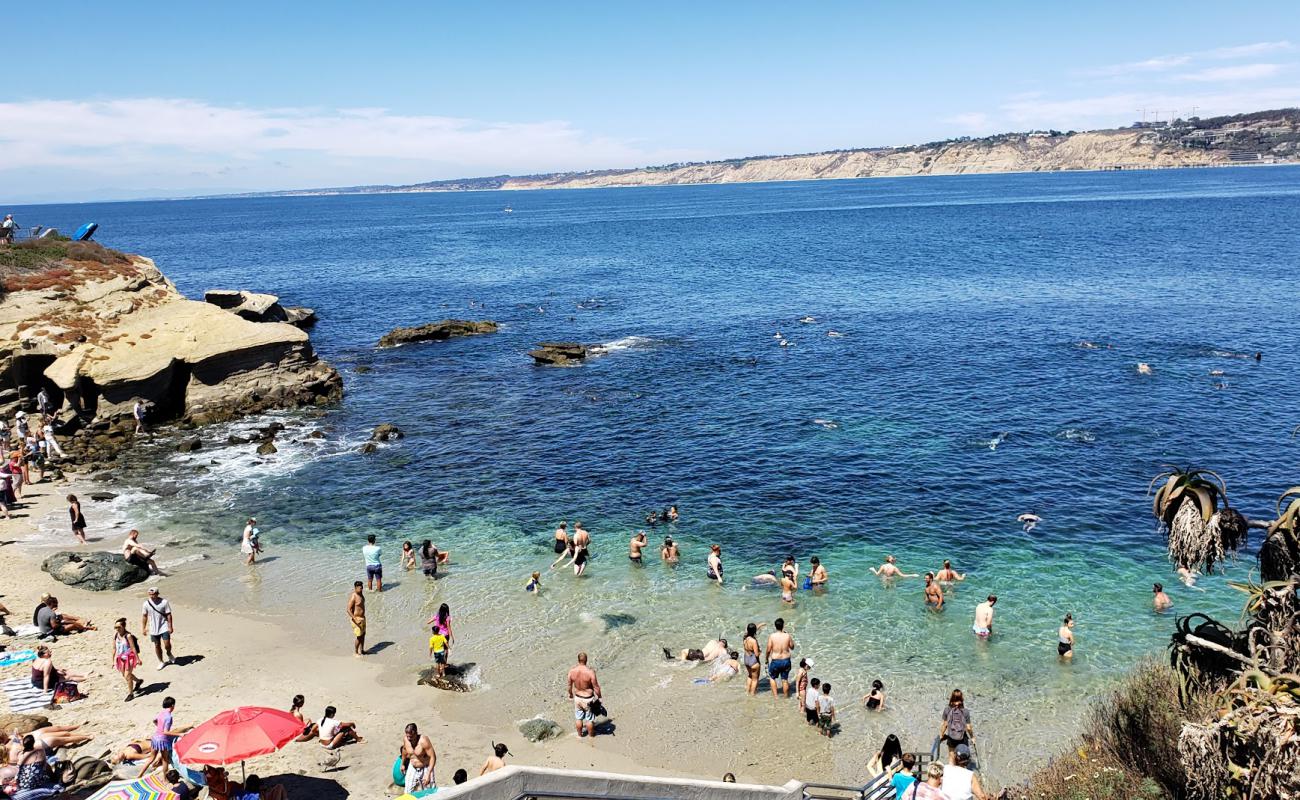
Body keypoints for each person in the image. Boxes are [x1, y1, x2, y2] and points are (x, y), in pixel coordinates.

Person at [139, 696, 184, 777]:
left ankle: (139, 775)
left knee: (151, 758)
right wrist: (180, 734)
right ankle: (164, 778)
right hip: (163, 741)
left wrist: (158, 726)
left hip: (155, 738)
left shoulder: (161, 713)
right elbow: (166, 732)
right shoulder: (169, 717)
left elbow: (154, 720)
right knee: (165, 760)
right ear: (172, 705)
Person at [567, 652, 602, 739]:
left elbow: (569, 685)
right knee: (589, 720)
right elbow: (596, 686)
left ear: (578, 660)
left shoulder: (572, 671)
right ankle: (591, 736)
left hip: (578, 698)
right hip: (588, 699)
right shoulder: (590, 672)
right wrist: (599, 697)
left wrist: (570, 694)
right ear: (586, 660)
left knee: (579, 718)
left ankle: (579, 735)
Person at [142, 587, 175, 669]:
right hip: (153, 628)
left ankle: (169, 653)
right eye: (150, 594)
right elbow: (144, 616)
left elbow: (169, 615)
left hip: (164, 626)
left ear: (157, 594)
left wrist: (170, 626)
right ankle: (161, 661)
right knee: (157, 645)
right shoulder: (146, 603)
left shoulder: (164, 602)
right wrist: (143, 628)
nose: (152, 596)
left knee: (167, 644)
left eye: (153, 594)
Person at [113, 617, 144, 701]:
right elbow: (114, 648)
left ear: (123, 627)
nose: (117, 629)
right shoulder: (116, 635)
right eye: (115, 627)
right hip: (120, 658)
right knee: (125, 675)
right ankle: (138, 681)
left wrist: (138, 659)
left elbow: (133, 648)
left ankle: (131, 694)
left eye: (118, 627)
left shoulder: (128, 636)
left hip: (129, 657)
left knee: (127, 675)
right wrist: (113, 660)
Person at [940, 689, 974, 764]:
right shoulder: (965, 711)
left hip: (951, 737)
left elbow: (945, 725)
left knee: (951, 757)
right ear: (962, 699)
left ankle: (951, 773)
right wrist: (972, 737)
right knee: (962, 759)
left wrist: (941, 735)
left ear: (951, 698)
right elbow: (968, 727)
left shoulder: (947, 710)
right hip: (962, 738)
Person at [400, 722, 436, 792]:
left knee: (429, 792)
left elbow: (433, 757)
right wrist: (402, 764)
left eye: (411, 736)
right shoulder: (406, 740)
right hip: (413, 766)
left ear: (416, 733)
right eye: (407, 736)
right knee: (407, 791)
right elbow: (404, 751)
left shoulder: (424, 741)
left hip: (425, 767)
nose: (409, 738)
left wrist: (428, 773)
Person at [765, 617, 795, 698]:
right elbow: (792, 647)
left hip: (776, 660)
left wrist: (766, 659)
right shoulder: (787, 635)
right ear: (783, 626)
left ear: (775, 626)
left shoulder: (772, 636)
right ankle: (786, 697)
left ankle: (776, 697)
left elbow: (768, 649)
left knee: (772, 678)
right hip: (786, 660)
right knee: (784, 680)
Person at [663, 637, 727, 663]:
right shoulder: (722, 650)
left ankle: (681, 663)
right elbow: (725, 656)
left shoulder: (713, 641)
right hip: (703, 659)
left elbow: (715, 641)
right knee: (686, 657)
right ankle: (671, 657)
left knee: (684, 651)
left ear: (719, 641)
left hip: (700, 654)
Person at [347, 582, 366, 656]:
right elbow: (348, 609)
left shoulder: (361, 594)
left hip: (363, 618)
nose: (361, 589)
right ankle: (356, 652)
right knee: (359, 636)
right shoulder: (353, 596)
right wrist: (355, 619)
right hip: (356, 619)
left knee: (363, 634)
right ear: (355, 588)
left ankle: (362, 650)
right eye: (359, 588)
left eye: (362, 587)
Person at [742, 622, 761, 695]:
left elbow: (749, 630)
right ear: (754, 631)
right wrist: (760, 652)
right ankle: (752, 694)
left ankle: (747, 692)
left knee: (750, 676)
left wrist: (760, 625)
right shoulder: (753, 641)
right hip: (753, 661)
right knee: (755, 679)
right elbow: (756, 654)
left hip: (746, 660)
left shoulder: (745, 639)